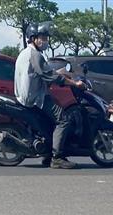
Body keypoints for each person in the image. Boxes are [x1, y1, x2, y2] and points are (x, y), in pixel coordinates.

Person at [15, 22, 85, 169]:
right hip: (35, 98)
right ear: (33, 38)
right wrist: (74, 83)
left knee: (51, 121)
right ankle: (57, 157)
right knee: (63, 119)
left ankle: (47, 153)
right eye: (42, 37)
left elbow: (42, 73)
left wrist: (60, 73)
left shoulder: (24, 53)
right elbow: (50, 76)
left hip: (26, 96)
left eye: (46, 38)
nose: (45, 41)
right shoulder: (35, 55)